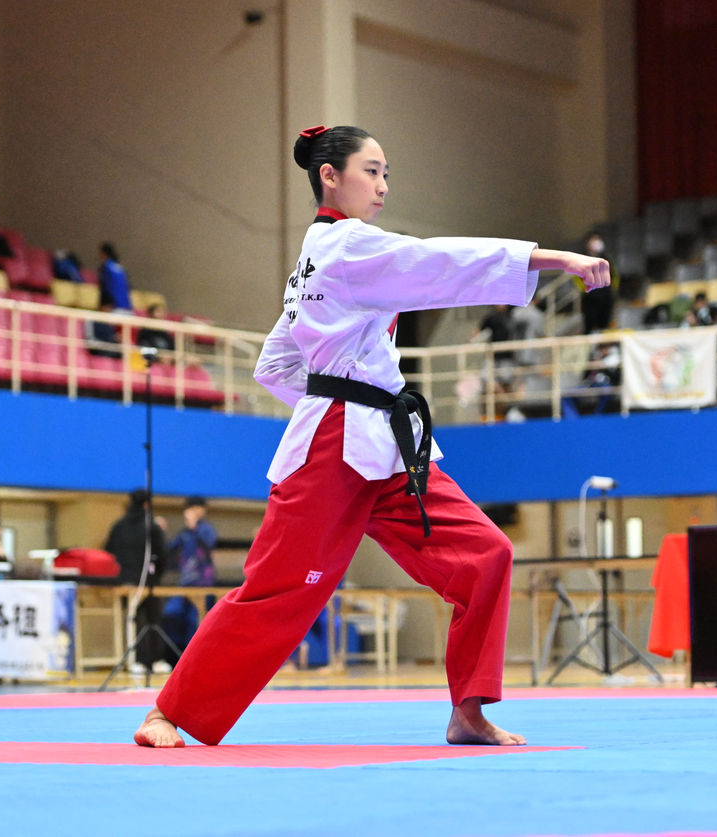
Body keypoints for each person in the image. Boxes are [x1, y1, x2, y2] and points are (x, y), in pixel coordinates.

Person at [134, 124, 608, 749]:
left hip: (383, 440)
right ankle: (166, 713)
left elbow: (273, 364)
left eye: (387, 174)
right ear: (330, 177)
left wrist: (336, 396)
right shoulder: (347, 245)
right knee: (282, 589)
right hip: (336, 444)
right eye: (372, 171)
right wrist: (553, 259)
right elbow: (440, 262)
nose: (383, 185)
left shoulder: (315, 261)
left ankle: (468, 712)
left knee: (484, 555)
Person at [104, 489, 168, 672]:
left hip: (125, 582)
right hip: (148, 582)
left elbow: (109, 552)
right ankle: (155, 661)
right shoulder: (152, 526)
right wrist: (155, 576)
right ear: (147, 504)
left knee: (131, 620)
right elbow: (162, 556)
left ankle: (134, 662)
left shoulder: (118, 526)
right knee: (152, 620)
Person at [157, 495, 218, 664]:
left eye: (196, 508)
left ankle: (197, 660)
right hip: (185, 584)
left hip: (203, 585)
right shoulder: (184, 534)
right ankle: (177, 657)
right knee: (171, 614)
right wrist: (159, 532)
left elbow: (209, 544)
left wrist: (194, 526)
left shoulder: (206, 530)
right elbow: (169, 550)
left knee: (196, 622)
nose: (192, 512)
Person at [578, 232, 616, 334]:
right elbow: (577, 277)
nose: (597, 242)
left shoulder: (607, 258)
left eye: (598, 239)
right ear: (588, 243)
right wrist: (584, 288)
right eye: (594, 240)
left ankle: (604, 344)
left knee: (604, 326)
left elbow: (614, 276)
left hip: (605, 296)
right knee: (589, 325)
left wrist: (611, 289)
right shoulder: (582, 258)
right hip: (589, 297)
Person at [97, 242, 132, 312]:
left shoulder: (106, 267)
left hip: (113, 308)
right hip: (127, 308)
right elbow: (128, 287)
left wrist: (104, 305)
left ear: (103, 253)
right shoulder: (120, 268)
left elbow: (106, 288)